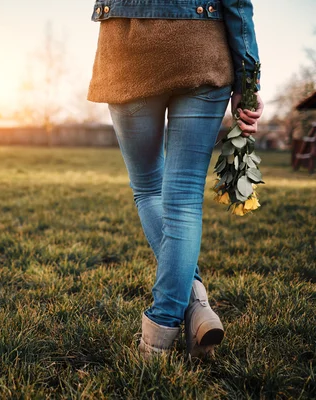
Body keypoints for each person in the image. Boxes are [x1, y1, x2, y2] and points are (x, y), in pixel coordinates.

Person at [87, 0, 264, 359]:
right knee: (183, 200)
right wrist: (248, 81)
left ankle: (158, 341)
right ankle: (186, 312)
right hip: (201, 50)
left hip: (128, 52)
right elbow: (238, 6)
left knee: (148, 187)